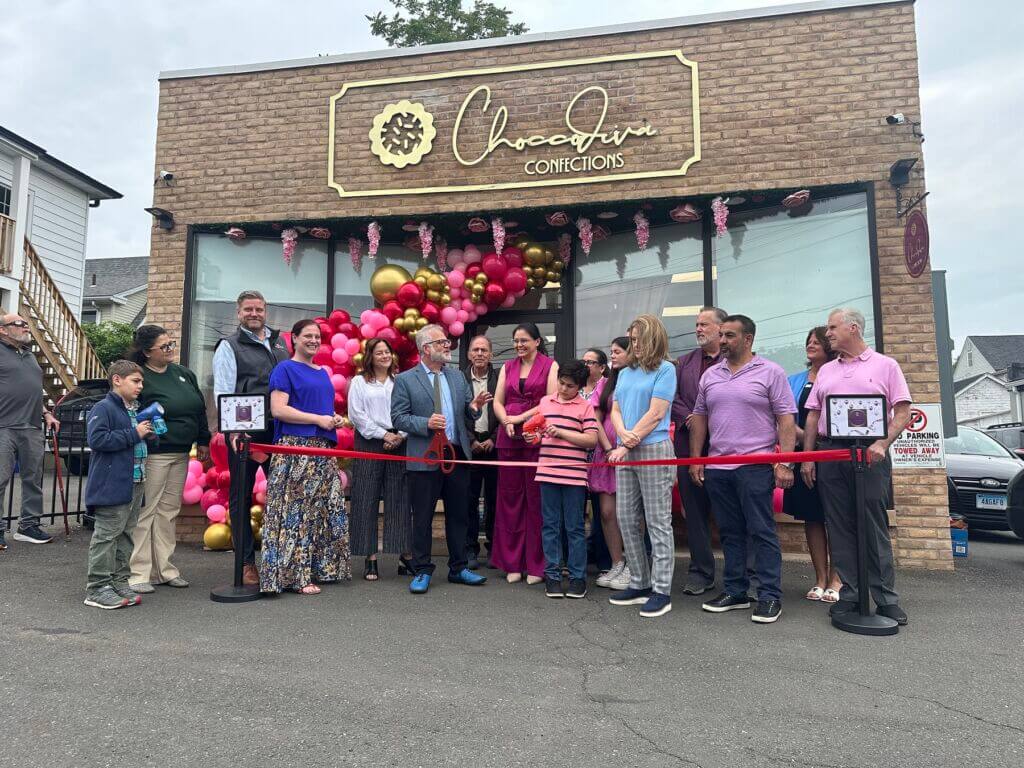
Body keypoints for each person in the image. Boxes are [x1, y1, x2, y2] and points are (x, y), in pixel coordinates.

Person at [801, 308, 912, 625]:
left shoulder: (885, 365)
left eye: (833, 328)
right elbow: (812, 415)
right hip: (831, 453)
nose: (828, 333)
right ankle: (850, 594)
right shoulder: (825, 371)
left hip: (870, 454)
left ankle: (886, 599)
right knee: (839, 526)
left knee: (873, 525)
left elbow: (903, 412)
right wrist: (809, 457)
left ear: (853, 328)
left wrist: (882, 443)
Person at [689, 315, 797, 625]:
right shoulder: (711, 375)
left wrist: (785, 462)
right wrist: (697, 458)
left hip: (755, 465)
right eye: (721, 335)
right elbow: (700, 417)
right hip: (719, 467)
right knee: (729, 532)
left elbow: (786, 419)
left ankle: (769, 596)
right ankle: (736, 591)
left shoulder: (771, 372)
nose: (721, 340)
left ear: (748, 340)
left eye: (729, 336)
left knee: (761, 532)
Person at [391, 324, 493, 594]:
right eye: (442, 343)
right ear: (426, 348)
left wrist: (474, 408)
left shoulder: (457, 377)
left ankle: (459, 568)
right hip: (425, 456)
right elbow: (398, 418)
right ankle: (422, 569)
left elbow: (466, 412)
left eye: (447, 342)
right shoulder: (405, 380)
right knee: (422, 516)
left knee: (459, 515)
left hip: (456, 454)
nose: (448, 346)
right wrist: (426, 422)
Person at [262, 319, 351, 595]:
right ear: (295, 339)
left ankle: (321, 568)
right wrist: (318, 419)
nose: (314, 340)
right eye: (308, 336)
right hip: (296, 449)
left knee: (324, 510)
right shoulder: (285, 368)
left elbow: (320, 410)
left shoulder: (323, 372)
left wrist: (332, 419)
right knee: (295, 512)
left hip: (323, 450)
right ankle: (294, 576)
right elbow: (278, 410)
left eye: (317, 336)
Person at [212, 290, 290, 585]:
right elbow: (223, 390)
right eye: (248, 309)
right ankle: (246, 563)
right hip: (245, 433)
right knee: (241, 497)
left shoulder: (280, 343)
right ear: (239, 312)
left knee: (282, 496)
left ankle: (280, 561)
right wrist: (233, 430)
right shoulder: (229, 346)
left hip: (279, 431)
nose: (254, 313)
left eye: (258, 308)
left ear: (265, 311)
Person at [127, 324, 211, 593]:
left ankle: (164, 568)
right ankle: (139, 572)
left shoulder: (183, 373)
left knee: (168, 511)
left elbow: (199, 409)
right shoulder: (140, 377)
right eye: (164, 347)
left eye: (171, 344)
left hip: (181, 452)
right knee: (146, 511)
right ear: (147, 352)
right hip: (154, 454)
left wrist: (204, 440)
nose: (170, 350)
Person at [606, 315, 678, 619]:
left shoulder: (666, 370)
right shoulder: (626, 372)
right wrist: (622, 434)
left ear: (651, 338)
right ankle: (639, 581)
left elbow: (657, 412)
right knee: (625, 518)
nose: (632, 343)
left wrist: (628, 440)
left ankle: (661, 590)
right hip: (627, 449)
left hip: (653, 448)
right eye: (630, 338)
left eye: (636, 338)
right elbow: (616, 408)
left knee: (658, 520)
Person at [490, 322, 558, 584]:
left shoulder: (550, 365)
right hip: (508, 437)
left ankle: (537, 565)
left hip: (535, 435)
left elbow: (549, 401)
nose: (519, 345)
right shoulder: (507, 367)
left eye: (524, 340)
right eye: (516, 340)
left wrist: (519, 418)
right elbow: (498, 401)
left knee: (536, 501)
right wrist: (506, 421)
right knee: (509, 500)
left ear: (537, 342)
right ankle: (512, 563)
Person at [83, 361, 153, 609]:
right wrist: (135, 434)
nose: (140, 386)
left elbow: (134, 440)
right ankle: (97, 587)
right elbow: (98, 439)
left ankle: (119, 581)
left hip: (135, 480)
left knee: (126, 534)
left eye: (141, 382)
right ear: (117, 380)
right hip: (112, 483)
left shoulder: (134, 409)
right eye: (135, 381)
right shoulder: (103, 408)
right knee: (107, 535)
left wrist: (147, 434)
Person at [532, 360, 599, 599]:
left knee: (574, 528)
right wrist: (535, 437)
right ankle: (552, 575)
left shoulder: (585, 407)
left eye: (569, 386)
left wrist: (562, 433)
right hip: (547, 472)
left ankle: (577, 577)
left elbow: (592, 440)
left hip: (574, 476)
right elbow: (537, 433)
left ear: (579, 386)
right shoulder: (545, 402)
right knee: (549, 526)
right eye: (561, 383)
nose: (563, 389)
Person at [784, 326, 842, 603]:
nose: (811, 344)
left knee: (839, 518)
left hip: (833, 452)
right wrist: (802, 437)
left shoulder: (840, 375)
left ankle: (837, 579)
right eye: (808, 341)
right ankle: (819, 578)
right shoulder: (794, 379)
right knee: (813, 516)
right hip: (801, 453)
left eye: (817, 341)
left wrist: (818, 439)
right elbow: (783, 416)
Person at [671, 307, 726, 596]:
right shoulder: (684, 363)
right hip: (688, 448)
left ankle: (739, 575)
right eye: (696, 324)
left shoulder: (736, 362)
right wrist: (692, 417)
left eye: (704, 324)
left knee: (730, 514)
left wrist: (708, 419)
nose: (698, 329)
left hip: (725, 448)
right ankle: (700, 573)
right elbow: (674, 398)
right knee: (695, 515)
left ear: (721, 329)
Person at [347, 336, 412, 581]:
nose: (384, 356)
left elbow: (409, 410)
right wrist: (383, 434)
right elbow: (357, 415)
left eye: (387, 352)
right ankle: (370, 558)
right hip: (369, 441)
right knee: (366, 497)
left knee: (399, 499)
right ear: (370, 357)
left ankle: (404, 557)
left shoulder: (400, 382)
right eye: (379, 352)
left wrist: (398, 435)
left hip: (399, 441)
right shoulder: (360, 382)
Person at [0, 312, 60, 548]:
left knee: (33, 478)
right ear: (3, 329)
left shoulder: (29, 355)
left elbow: (33, 390)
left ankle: (28, 526)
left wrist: (46, 413)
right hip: (4, 425)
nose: (26, 327)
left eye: (27, 324)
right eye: (19, 324)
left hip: (32, 426)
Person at [584, 343, 630, 591]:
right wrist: (609, 448)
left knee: (632, 514)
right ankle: (616, 563)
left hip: (633, 453)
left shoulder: (639, 378)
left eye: (618, 351)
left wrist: (625, 448)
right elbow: (596, 419)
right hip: (607, 454)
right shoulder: (605, 383)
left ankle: (635, 565)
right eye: (611, 351)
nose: (613, 355)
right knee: (607, 513)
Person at [462, 334, 499, 569]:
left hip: (495, 446)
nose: (479, 354)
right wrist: (471, 440)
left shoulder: (500, 377)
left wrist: (494, 438)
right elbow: (456, 413)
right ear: (468, 355)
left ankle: (495, 550)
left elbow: (507, 408)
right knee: (469, 501)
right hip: (470, 446)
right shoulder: (459, 379)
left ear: (491, 354)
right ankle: (470, 550)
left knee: (496, 501)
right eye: (475, 350)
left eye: (484, 350)